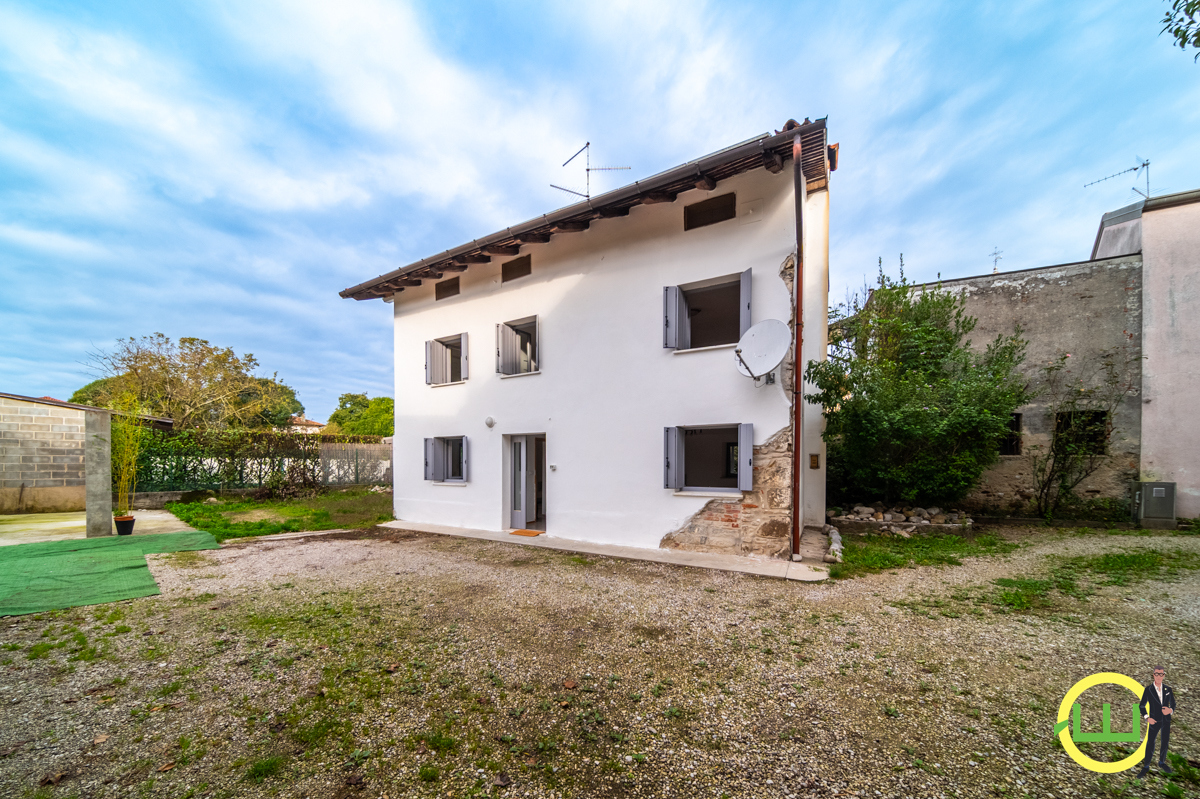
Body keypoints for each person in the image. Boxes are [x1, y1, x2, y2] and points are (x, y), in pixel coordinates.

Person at [1137, 665, 1177, 778]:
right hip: (1154, 720)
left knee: (1165, 741)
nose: (1159, 676)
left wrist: (1170, 710)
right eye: (1157, 674)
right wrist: (1147, 717)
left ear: (1163, 675)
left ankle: (1162, 762)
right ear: (1154, 675)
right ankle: (1146, 766)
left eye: (1161, 674)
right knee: (1150, 742)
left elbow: (1173, 704)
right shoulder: (1148, 690)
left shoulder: (1168, 689)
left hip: (1166, 719)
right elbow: (1142, 705)